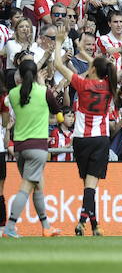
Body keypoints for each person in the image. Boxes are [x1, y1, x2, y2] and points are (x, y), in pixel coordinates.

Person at [51, 35, 116, 237]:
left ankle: (93, 225)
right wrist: (90, 57)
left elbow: (57, 64)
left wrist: (60, 42)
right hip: (100, 139)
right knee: (91, 184)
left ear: (93, 69)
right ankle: (83, 221)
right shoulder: (110, 86)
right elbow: (101, 67)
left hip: (80, 139)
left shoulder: (82, 83)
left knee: (89, 184)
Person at [0, 60, 62, 238]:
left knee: (37, 186)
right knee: (26, 187)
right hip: (38, 147)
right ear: (36, 75)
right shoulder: (44, 92)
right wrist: (44, 88)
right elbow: (58, 116)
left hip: (19, 147)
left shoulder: (12, 94)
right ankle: (10, 226)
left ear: (19, 75)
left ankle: (46, 226)